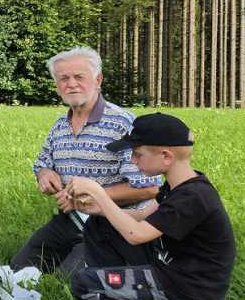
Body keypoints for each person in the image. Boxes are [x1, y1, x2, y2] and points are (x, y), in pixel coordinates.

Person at [68, 113, 235, 300]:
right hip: (170, 268)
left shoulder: (193, 197)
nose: (132, 160)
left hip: (187, 290)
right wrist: (98, 209)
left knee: (82, 283)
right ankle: (114, 286)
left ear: (166, 156)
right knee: (101, 224)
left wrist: (98, 192)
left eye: (137, 154)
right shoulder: (178, 186)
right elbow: (143, 215)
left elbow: (135, 235)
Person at [10, 47, 160, 277]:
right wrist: (44, 174)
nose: (71, 84)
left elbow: (149, 187)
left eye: (79, 77)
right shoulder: (60, 126)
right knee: (17, 272)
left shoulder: (123, 124)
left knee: (69, 283)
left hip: (115, 223)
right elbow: (42, 164)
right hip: (71, 219)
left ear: (98, 80)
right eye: (63, 78)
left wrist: (93, 196)